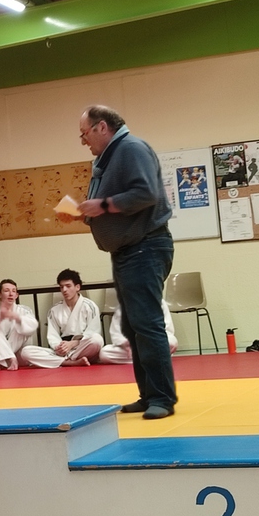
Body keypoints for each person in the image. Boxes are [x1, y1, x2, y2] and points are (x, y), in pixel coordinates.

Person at [72, 104, 177, 419]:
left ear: (102, 127)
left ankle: (162, 398)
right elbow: (113, 205)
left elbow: (146, 193)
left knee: (147, 324)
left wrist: (103, 205)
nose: (83, 141)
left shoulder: (130, 149)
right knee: (133, 327)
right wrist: (87, 214)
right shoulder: (109, 158)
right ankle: (149, 394)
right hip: (129, 251)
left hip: (145, 247)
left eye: (85, 134)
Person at [0, 279, 63, 370]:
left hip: (21, 357)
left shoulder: (24, 310)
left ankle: (3, 360)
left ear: (16, 295)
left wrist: (17, 318)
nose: (11, 294)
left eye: (13, 291)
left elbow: (33, 327)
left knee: (22, 325)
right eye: (6, 291)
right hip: (2, 356)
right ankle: (9, 358)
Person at [44, 269, 103, 366]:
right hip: (63, 350)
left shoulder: (90, 306)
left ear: (77, 287)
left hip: (82, 346)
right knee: (26, 352)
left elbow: (93, 332)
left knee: (97, 340)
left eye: (68, 286)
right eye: (61, 287)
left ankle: (68, 361)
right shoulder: (54, 310)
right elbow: (52, 336)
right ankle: (73, 361)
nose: (64, 290)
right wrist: (60, 348)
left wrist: (73, 343)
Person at [99, 303, 177, 364]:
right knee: (104, 353)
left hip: (152, 344)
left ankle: (146, 358)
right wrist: (124, 343)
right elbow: (116, 333)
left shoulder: (159, 302)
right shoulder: (123, 305)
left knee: (172, 342)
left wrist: (150, 339)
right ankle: (151, 359)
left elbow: (167, 330)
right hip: (132, 348)